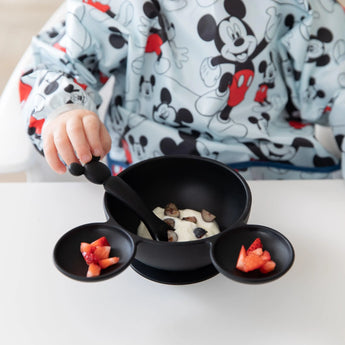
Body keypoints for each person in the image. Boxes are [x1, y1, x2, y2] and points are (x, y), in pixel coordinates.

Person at [19, 0, 345, 180]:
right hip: (150, 173)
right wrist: (64, 111)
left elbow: (337, 86)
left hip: (278, 170)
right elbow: (58, 63)